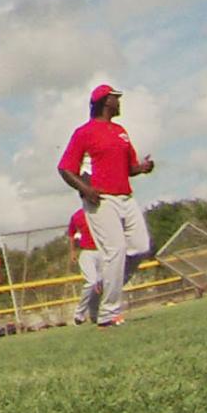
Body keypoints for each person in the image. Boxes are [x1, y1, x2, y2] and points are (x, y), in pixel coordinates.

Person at [56, 84, 155, 329]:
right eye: (115, 98)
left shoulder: (120, 131)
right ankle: (108, 314)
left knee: (141, 246)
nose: (119, 102)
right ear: (105, 102)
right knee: (116, 250)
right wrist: (86, 189)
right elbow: (65, 168)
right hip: (101, 200)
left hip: (125, 197)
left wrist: (141, 168)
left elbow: (128, 167)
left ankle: (104, 283)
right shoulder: (84, 133)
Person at [67, 205, 101, 325]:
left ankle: (94, 314)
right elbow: (72, 233)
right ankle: (79, 314)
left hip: (103, 250)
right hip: (87, 252)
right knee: (92, 282)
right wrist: (73, 251)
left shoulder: (102, 211)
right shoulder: (77, 215)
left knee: (100, 284)